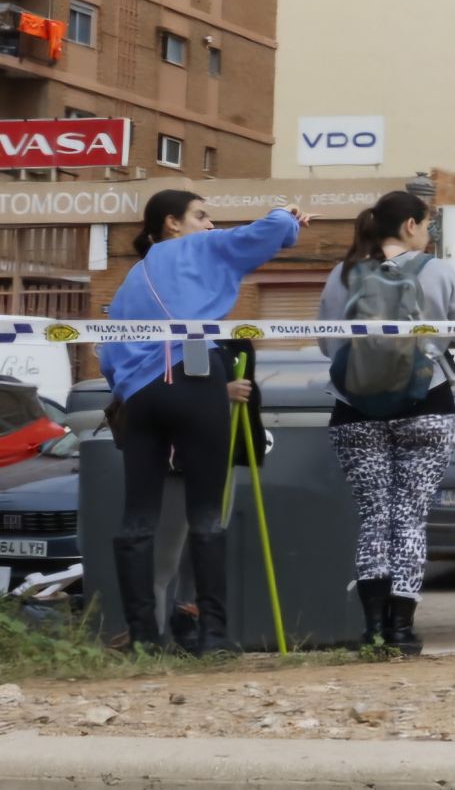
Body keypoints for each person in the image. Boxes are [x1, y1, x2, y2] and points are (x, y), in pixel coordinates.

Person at [98, 192, 309, 652]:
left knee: (137, 518)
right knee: (206, 516)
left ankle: (143, 639)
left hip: (139, 397)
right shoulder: (200, 248)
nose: (211, 225)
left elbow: (107, 356)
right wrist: (287, 214)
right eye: (202, 215)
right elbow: (269, 232)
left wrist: (134, 386)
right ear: (173, 223)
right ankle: (213, 635)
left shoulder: (132, 279)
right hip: (195, 386)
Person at [318, 191, 455, 654]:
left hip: (353, 411)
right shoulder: (438, 270)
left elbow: (328, 346)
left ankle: (372, 631)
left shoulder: (341, 273)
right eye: (427, 225)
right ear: (409, 225)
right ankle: (402, 631)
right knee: (409, 519)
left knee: (374, 519)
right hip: (427, 406)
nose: (429, 234)